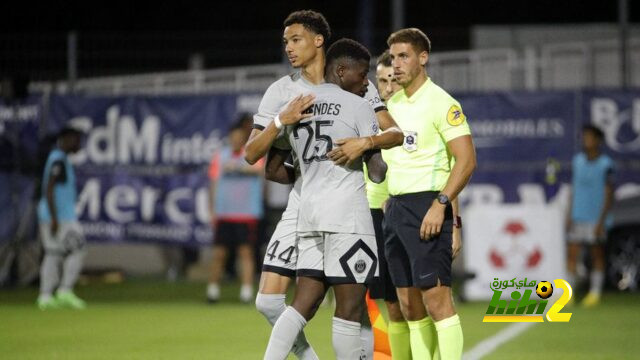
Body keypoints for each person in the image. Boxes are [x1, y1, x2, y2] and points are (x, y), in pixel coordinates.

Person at [246, 10, 402, 360]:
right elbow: (251, 153)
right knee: (277, 300)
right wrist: (278, 121)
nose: (288, 47)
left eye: (295, 39)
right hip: (317, 203)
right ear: (349, 72)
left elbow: (389, 126)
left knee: (320, 299)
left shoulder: (357, 85)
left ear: (319, 41)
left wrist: (363, 142)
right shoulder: (284, 91)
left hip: (314, 205)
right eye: (285, 41)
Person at [382, 28, 476, 360]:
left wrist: (442, 206)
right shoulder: (391, 105)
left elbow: (466, 160)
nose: (396, 64)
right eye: (392, 57)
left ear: (423, 58)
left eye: (404, 56)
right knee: (408, 304)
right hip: (395, 209)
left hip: (427, 205)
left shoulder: (442, 103)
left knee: (437, 300)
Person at [206, 123, 264, 303]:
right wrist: (212, 210)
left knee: (245, 253)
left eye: (240, 137)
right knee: (219, 255)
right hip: (224, 213)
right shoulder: (220, 156)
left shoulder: (252, 153)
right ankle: (212, 291)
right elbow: (214, 183)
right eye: (234, 137)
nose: (236, 140)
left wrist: (236, 168)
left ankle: (246, 292)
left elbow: (258, 170)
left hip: (247, 214)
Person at [36, 126, 87, 310]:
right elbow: (49, 189)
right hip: (59, 217)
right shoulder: (58, 159)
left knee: (53, 253)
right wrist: (54, 218)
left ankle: (45, 296)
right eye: (76, 139)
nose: (79, 143)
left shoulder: (60, 158)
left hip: (55, 215)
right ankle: (64, 290)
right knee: (78, 249)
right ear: (66, 139)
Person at [566, 124, 614, 307]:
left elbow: (609, 194)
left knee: (596, 255)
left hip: (596, 218)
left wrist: (601, 220)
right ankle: (569, 295)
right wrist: (569, 215)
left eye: (590, 137)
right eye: (584, 137)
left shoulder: (606, 165)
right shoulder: (577, 161)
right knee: (572, 255)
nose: (586, 140)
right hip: (578, 215)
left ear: (598, 141)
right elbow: (574, 190)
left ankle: (594, 293)